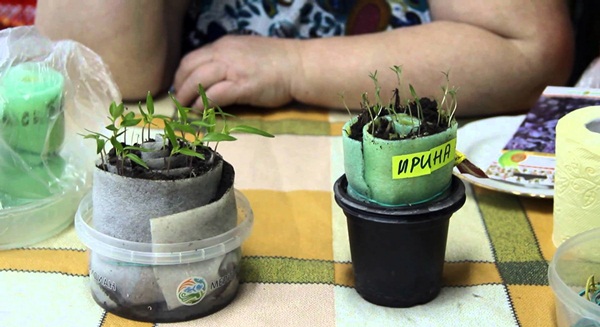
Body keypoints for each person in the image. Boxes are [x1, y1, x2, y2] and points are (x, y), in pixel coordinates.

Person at [34, 0, 574, 116]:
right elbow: (96, 70)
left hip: (411, 151)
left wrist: (294, 66)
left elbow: (528, 54)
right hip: (202, 144)